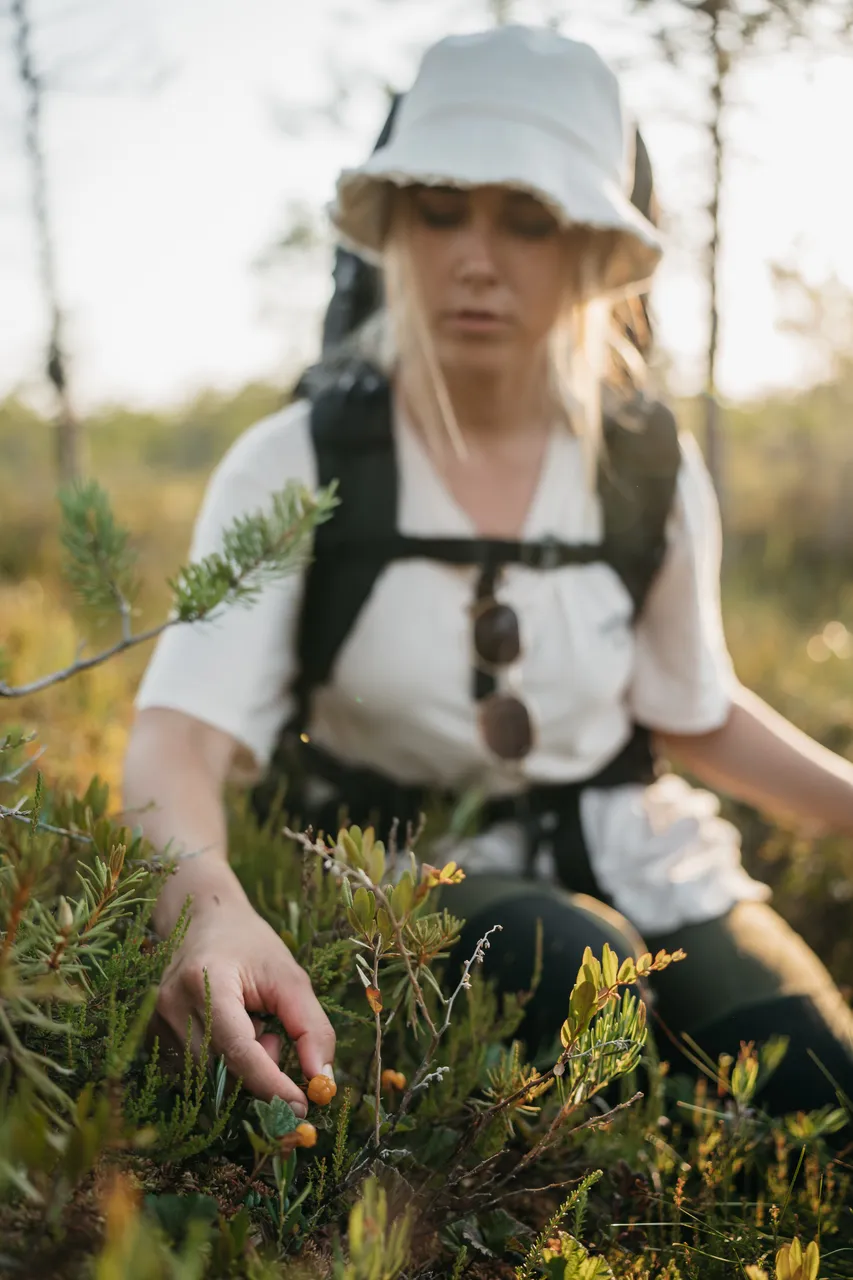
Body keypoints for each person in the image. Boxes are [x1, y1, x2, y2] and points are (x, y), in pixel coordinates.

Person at [124, 25, 853, 1121]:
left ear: (596, 250)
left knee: (819, 1083)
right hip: (411, 868)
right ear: (395, 228)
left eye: (530, 218)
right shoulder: (301, 459)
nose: (476, 254)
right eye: (440, 206)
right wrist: (211, 911)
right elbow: (178, 737)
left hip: (637, 848)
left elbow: (692, 712)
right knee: (571, 959)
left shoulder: (646, 463)